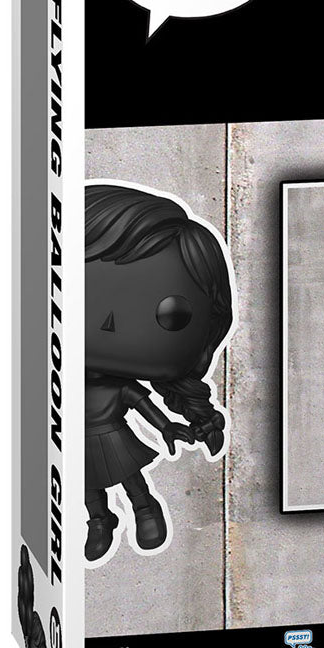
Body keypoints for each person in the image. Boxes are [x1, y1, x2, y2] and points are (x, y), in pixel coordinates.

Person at [83, 184, 234, 562]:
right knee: (86, 486)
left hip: (111, 438)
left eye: (169, 315)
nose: (108, 323)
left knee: (128, 477)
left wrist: (167, 427)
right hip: (75, 442)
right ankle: (100, 521)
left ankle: (144, 507)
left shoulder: (120, 387)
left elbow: (144, 406)